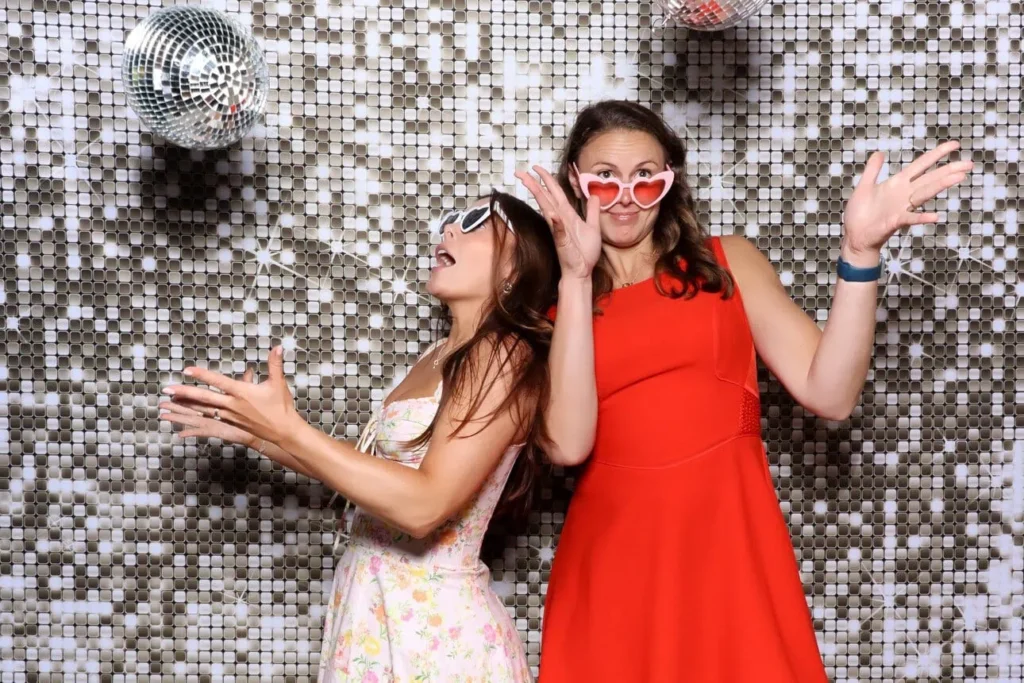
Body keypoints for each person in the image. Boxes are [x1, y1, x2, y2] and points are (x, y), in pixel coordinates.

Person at [515, 100, 974, 682]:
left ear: (670, 182)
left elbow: (829, 393)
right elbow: (564, 445)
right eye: (604, 179)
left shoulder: (727, 265)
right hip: (614, 567)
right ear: (574, 184)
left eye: (644, 177)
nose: (625, 197)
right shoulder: (552, 311)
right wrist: (577, 279)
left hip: (726, 548)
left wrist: (860, 256)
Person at [158, 190, 561, 682]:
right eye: (451, 218)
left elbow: (424, 505)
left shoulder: (503, 354)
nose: (449, 229)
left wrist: (291, 428)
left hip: (435, 636)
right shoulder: (439, 354)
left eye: (476, 220)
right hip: (372, 608)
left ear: (517, 268)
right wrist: (260, 436)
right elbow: (379, 482)